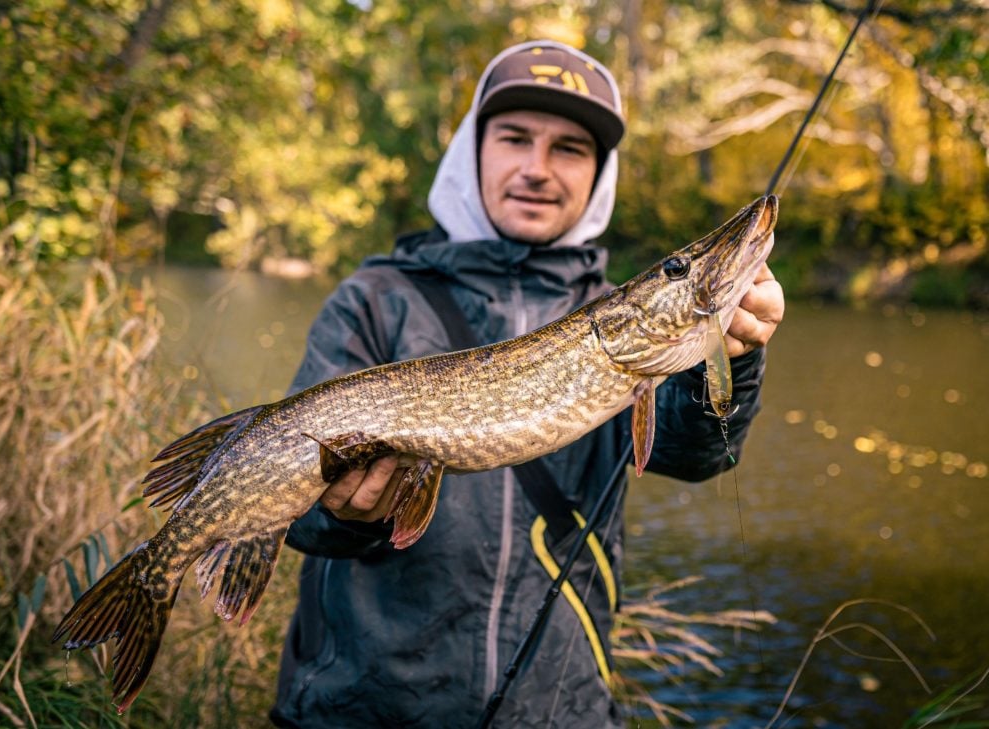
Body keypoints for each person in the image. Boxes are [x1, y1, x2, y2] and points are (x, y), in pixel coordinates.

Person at [270, 40, 783, 728]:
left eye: (570, 149)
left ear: (600, 172)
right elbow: (297, 511)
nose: (537, 169)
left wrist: (736, 352)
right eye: (515, 138)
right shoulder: (376, 300)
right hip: (365, 709)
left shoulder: (621, 322)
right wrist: (343, 513)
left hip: (555, 707)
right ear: (472, 151)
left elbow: (698, 454)